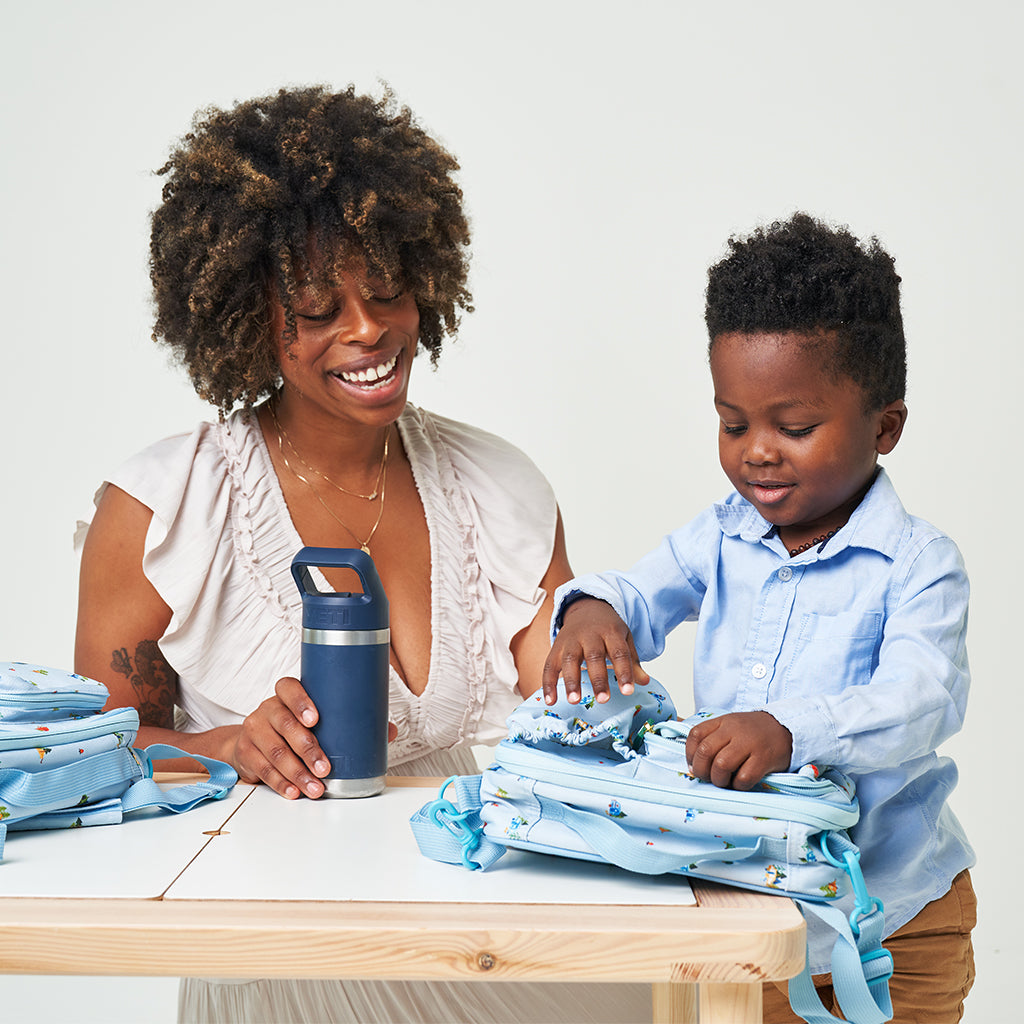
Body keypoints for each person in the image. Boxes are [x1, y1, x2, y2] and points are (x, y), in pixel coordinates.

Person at [75, 85, 649, 1024]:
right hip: (292, 958)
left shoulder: (497, 486)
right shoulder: (165, 511)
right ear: (244, 315)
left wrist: (608, 661)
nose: (367, 330)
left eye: (385, 290)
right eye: (313, 307)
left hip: (508, 950)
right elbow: (92, 761)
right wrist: (226, 747)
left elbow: (577, 712)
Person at [543, 213, 977, 1023]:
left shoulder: (920, 564)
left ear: (885, 426)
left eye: (795, 427)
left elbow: (923, 700)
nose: (757, 452)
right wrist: (596, 607)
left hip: (897, 920)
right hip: (751, 906)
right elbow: (643, 590)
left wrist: (789, 729)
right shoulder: (721, 534)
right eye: (733, 423)